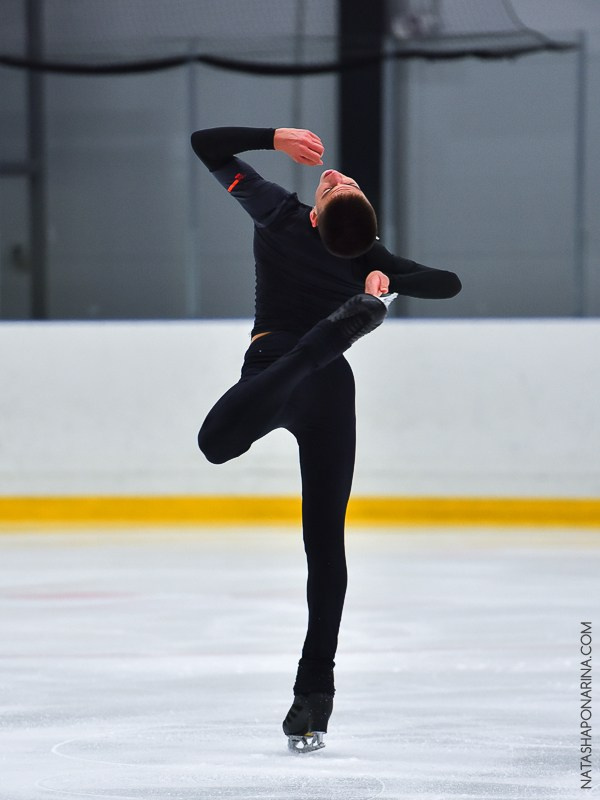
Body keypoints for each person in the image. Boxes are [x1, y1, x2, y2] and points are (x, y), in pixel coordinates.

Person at [191, 126, 461, 753]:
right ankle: (314, 696)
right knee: (324, 545)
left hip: (274, 368)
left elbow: (208, 144)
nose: (338, 175)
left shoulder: (280, 213)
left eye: (341, 184)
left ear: (316, 215)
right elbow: (445, 282)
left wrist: (273, 138)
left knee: (216, 443)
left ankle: (325, 339)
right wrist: (386, 278)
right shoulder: (370, 258)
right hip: (329, 385)